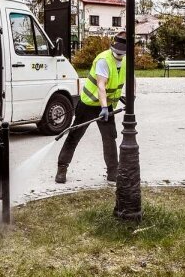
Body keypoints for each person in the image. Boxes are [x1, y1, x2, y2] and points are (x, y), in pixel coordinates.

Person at [55, 32, 129, 184]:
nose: (119, 55)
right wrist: (103, 108)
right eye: (117, 52)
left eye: (122, 53)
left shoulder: (126, 60)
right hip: (88, 105)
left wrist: (131, 97)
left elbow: (131, 78)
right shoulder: (103, 60)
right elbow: (101, 85)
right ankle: (62, 168)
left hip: (107, 105)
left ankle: (112, 172)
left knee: (109, 139)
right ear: (112, 46)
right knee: (74, 136)